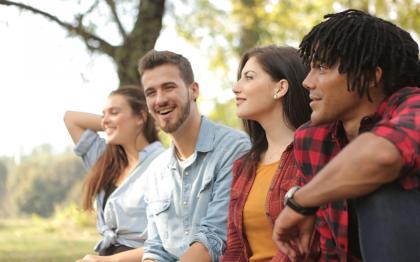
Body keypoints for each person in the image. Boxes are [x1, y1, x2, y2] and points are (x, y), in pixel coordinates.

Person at [272, 9, 420, 262]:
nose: (307, 81)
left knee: (381, 188)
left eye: (323, 67)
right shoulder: (311, 139)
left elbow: (382, 156)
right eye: (310, 68)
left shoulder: (414, 105)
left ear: (371, 76)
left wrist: (301, 201)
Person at [135, 50, 250, 262]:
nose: (159, 100)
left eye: (169, 87)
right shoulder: (155, 171)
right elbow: (156, 248)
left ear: (193, 90)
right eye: (151, 93)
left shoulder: (233, 148)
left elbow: (215, 238)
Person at [221, 45, 318, 261]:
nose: (236, 87)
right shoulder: (244, 166)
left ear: (281, 87)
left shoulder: (312, 156)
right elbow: (234, 248)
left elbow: (305, 247)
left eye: (249, 77)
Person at [64, 86, 164, 261]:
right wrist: (114, 123)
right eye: (104, 114)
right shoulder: (106, 160)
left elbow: (169, 242)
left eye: (114, 112)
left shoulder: (163, 164)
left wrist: (106, 261)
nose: (104, 121)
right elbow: (71, 118)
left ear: (140, 117)